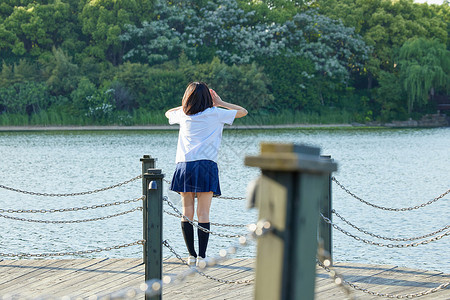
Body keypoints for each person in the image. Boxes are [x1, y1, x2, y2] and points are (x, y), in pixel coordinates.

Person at [165, 82, 248, 266]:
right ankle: (202, 256)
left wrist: (186, 104)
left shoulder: (183, 115)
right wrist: (220, 102)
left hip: (184, 165)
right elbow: (243, 111)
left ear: (188, 98)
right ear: (208, 99)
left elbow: (167, 113)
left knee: (187, 212)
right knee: (204, 213)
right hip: (206, 165)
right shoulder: (215, 113)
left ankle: (191, 256)